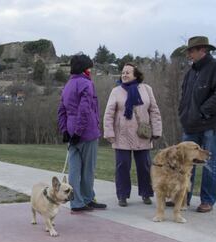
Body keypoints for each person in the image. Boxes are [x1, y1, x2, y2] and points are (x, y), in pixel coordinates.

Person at [178, 36, 216, 213]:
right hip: (190, 125)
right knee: (185, 162)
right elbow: (185, 97)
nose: (189, 54)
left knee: (210, 162)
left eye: (191, 51)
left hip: (211, 125)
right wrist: (184, 114)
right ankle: (183, 198)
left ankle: (207, 200)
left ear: (203, 50)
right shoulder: (191, 72)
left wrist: (203, 111)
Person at [103, 63, 162, 207]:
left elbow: (154, 111)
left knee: (145, 166)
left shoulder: (147, 89)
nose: (124, 75)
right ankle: (122, 195)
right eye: (123, 72)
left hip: (142, 134)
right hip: (121, 135)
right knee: (122, 166)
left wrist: (156, 130)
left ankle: (146, 194)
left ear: (136, 75)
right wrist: (109, 132)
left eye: (128, 72)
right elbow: (109, 113)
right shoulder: (116, 91)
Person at [57, 53, 107, 212]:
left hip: (71, 132)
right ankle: (87, 198)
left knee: (74, 170)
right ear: (85, 69)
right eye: (89, 68)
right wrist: (79, 132)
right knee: (88, 170)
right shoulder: (86, 84)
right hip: (86, 132)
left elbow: (61, 111)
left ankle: (76, 202)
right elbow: (85, 110)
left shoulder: (67, 86)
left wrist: (65, 130)